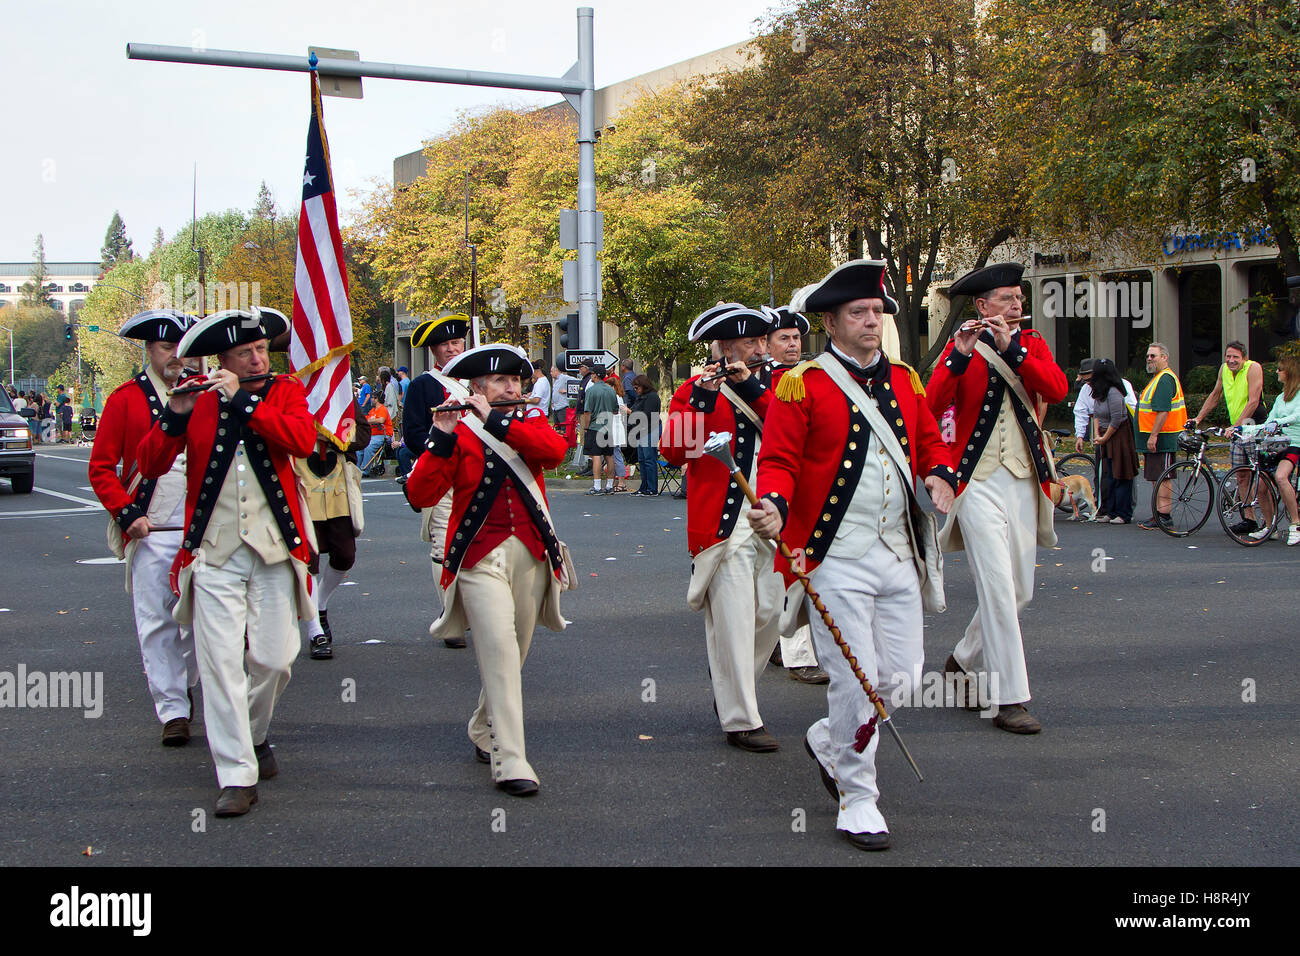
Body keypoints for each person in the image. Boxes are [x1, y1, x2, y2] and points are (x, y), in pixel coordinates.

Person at [751, 259, 955, 850]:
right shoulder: (803, 384)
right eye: (860, 314)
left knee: (903, 677)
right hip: (833, 556)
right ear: (831, 322)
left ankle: (831, 738)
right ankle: (858, 795)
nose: (873, 322)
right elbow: (781, 460)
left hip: (898, 553)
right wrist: (774, 504)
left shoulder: (906, 381)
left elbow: (931, 443)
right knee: (857, 680)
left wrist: (941, 474)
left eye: (878, 313)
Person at [136, 307, 316, 818]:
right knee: (218, 664)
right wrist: (174, 412)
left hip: (275, 545)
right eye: (246, 352)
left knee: (275, 659)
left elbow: (301, 441)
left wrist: (244, 402)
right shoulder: (196, 399)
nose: (259, 357)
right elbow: (147, 465)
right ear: (223, 359)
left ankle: (255, 734)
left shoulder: (283, 392)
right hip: (213, 550)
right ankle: (236, 773)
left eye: (261, 349)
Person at [406, 343, 570, 797]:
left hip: (532, 554)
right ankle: (511, 759)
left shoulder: (528, 422)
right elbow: (421, 494)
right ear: (475, 388)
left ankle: (484, 725)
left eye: (515, 380)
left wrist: (497, 419)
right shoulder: (457, 432)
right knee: (498, 652)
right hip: (478, 559)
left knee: (513, 654)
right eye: (500, 381)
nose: (512, 387)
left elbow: (554, 452)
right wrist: (440, 433)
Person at [926, 262, 1067, 734]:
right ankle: (1009, 698)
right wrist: (960, 356)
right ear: (983, 306)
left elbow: (1058, 388)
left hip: (1026, 477)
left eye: (1018, 297)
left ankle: (963, 661)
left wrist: (1013, 350)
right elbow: (930, 405)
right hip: (978, 481)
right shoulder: (961, 348)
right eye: (1007, 298)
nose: (1017, 304)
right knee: (999, 590)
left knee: (1020, 591)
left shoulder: (1032, 345)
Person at [660, 302, 783, 752]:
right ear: (726, 347)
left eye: (761, 341)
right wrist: (702, 398)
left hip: (772, 517)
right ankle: (741, 719)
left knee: (770, 614)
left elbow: (791, 434)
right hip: (723, 527)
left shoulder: (777, 387)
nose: (760, 348)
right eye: (750, 342)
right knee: (733, 619)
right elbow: (674, 451)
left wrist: (751, 388)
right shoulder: (694, 391)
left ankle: (731, 683)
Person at [88, 309, 200, 747]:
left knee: (201, 621)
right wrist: (126, 514)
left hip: (200, 526)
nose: (176, 357)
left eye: (182, 348)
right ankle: (173, 709)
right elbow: (101, 468)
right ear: (149, 351)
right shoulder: (125, 400)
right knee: (157, 623)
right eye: (166, 348)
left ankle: (185, 685)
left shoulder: (206, 395)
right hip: (150, 526)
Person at [759, 304, 828, 685]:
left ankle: (785, 643)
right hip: (766, 482)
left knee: (796, 564)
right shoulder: (764, 378)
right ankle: (795, 651)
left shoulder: (810, 376)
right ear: (767, 344)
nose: (792, 344)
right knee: (785, 567)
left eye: (796, 337)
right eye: (783, 338)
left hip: (806, 483)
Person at [403, 314, 472, 648]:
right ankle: (450, 615)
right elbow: (414, 433)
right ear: (434, 350)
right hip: (443, 474)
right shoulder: (422, 386)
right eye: (445, 344)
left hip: (475, 475)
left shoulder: (477, 380)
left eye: (456, 342)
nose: (451, 348)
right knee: (444, 544)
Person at [292, 423, 368, 660]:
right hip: (301, 480)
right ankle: (315, 630)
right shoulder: (289, 390)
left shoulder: (339, 388)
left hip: (338, 485)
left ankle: (319, 603)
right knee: (308, 560)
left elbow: (363, 434)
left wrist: (331, 433)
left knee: (345, 555)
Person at [1192, 341, 1266, 534]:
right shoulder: (1224, 370)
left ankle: (1269, 522)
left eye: (1236, 357)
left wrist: (1236, 425)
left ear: (1244, 358)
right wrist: (1198, 419)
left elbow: (1253, 401)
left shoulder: (1253, 368)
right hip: (1237, 429)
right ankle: (1249, 519)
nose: (1231, 360)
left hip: (1254, 425)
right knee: (1241, 475)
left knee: (1260, 477)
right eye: (1228, 356)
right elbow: (1215, 395)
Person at [1234, 351, 1300, 545]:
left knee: (1281, 476)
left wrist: (1278, 423)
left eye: (1280, 369)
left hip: (1295, 444)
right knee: (1261, 486)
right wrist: (1244, 428)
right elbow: (1268, 422)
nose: (1277, 372)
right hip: (1279, 444)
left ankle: (1295, 524)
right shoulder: (1281, 398)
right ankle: (1270, 527)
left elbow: (1296, 416)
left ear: (1289, 372)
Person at [1135, 342, 1188, 530]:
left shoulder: (1165, 379)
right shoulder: (1159, 378)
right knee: (1156, 476)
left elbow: (1162, 410)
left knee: (1163, 476)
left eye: (1153, 356)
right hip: (1159, 437)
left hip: (1164, 438)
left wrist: (1153, 436)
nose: (1149, 359)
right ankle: (1159, 514)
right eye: (1148, 356)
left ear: (1164, 358)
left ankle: (1164, 516)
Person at [1089, 358, 1140, 524]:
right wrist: (1097, 433)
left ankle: (1123, 512)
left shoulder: (1114, 393)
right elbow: (1096, 414)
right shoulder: (1099, 393)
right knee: (1108, 474)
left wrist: (1104, 437)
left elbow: (1117, 418)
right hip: (1105, 435)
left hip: (1119, 436)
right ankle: (1110, 511)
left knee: (1121, 473)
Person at [581, 369, 619, 494]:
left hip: (595, 427)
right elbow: (615, 410)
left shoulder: (591, 390)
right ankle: (609, 485)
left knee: (596, 455)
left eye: (592, 374)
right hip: (608, 427)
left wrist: (586, 427)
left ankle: (597, 486)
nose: (591, 376)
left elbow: (587, 412)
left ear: (595, 375)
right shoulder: (611, 391)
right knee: (609, 456)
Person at [628, 375, 661, 496]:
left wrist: (631, 412)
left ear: (643, 386)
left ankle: (652, 488)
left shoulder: (652, 397)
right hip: (641, 429)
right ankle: (644, 486)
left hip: (651, 429)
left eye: (637, 388)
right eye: (634, 388)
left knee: (649, 459)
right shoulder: (640, 397)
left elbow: (647, 414)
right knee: (641, 459)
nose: (635, 390)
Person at [360, 393, 394, 476]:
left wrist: (370, 420)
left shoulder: (383, 409)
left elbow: (381, 420)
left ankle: (365, 470)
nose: (371, 400)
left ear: (376, 399)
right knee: (360, 446)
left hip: (383, 435)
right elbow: (367, 419)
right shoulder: (372, 411)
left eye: (372, 398)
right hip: (372, 435)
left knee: (369, 447)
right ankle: (356, 469)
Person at [550, 363, 573, 428]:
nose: (550, 373)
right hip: (555, 408)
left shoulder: (564, 377)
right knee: (557, 428)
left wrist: (567, 390)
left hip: (562, 407)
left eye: (552, 371)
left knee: (563, 427)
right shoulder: (555, 381)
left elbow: (576, 381)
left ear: (556, 371)